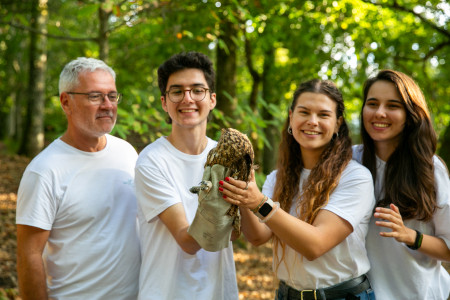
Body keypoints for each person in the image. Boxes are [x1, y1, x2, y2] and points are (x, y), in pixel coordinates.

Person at [220, 79, 376, 299]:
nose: (312, 121)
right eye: (304, 112)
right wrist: (244, 196)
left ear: (338, 123)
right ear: (291, 118)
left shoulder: (355, 177)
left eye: (323, 115)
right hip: (287, 295)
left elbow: (315, 244)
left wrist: (258, 202)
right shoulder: (278, 177)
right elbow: (258, 237)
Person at [16, 57, 141, 300]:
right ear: (66, 102)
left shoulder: (127, 153)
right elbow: (29, 255)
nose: (107, 105)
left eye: (112, 96)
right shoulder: (44, 171)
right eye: (95, 96)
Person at [134, 51, 238, 300]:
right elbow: (188, 241)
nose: (187, 98)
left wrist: (248, 196)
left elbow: (248, 235)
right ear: (164, 102)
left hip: (219, 292)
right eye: (177, 91)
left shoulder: (227, 155)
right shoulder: (151, 161)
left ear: (212, 99)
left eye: (197, 90)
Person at [353, 69, 450, 299]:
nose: (380, 113)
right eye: (372, 103)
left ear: (410, 114)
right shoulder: (349, 162)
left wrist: (410, 236)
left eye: (393, 106)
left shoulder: (431, 168)